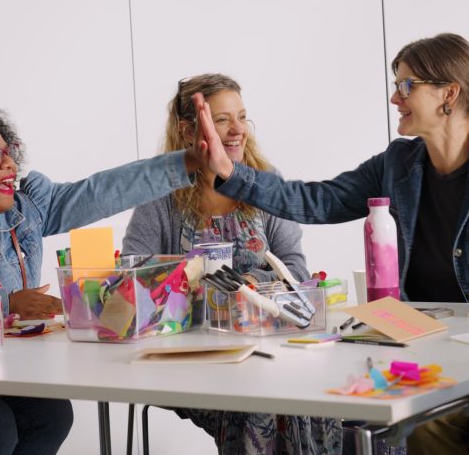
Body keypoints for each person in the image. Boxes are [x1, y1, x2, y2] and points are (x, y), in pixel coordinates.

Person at [196, 34, 469, 454]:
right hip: (433, 362)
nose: (395, 97)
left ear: (449, 94)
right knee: (416, 428)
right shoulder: (397, 165)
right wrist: (230, 172)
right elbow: (315, 199)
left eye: (407, 86)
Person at [0, 104, 207, 455]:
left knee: (54, 414)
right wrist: (7, 302)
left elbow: (101, 191)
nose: (9, 165)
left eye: (10, 153)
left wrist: (187, 161)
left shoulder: (25, 211)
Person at [123, 73, 341, 455]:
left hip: (266, 346)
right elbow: (132, 275)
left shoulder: (264, 182)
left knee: (314, 394)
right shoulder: (161, 194)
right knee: (256, 402)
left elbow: (295, 267)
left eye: (242, 117)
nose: (237, 130)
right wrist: (180, 283)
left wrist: (248, 285)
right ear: (187, 128)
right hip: (193, 359)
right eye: (222, 119)